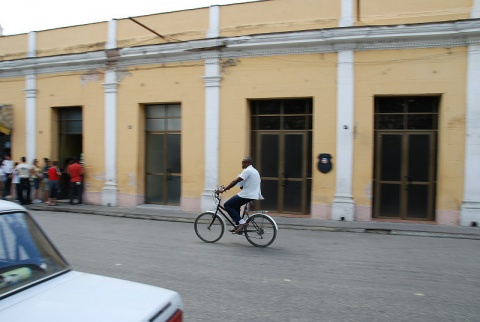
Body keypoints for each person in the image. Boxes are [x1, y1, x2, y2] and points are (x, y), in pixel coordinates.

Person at [217, 156, 264, 233]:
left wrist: (224, 189)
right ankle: (238, 225)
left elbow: (235, 181)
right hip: (252, 194)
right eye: (242, 162)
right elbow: (246, 183)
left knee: (227, 205)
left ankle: (242, 223)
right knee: (235, 205)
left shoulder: (247, 171)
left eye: (244, 162)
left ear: (248, 163)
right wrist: (242, 186)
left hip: (247, 194)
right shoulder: (253, 170)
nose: (242, 164)